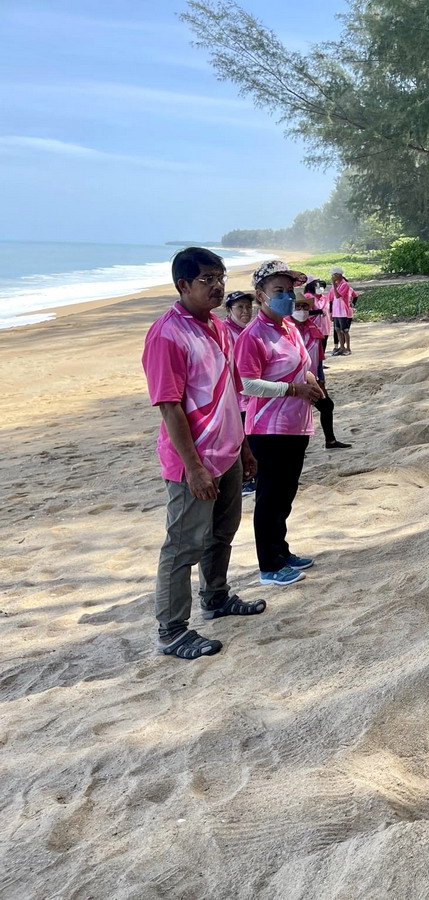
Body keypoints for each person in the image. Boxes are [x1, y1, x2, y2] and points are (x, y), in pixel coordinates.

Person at [141, 247, 263, 660]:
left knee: (221, 535)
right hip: (192, 462)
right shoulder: (167, 335)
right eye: (207, 279)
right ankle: (172, 631)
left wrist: (243, 445)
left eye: (220, 278)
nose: (217, 286)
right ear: (183, 285)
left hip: (227, 451)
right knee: (182, 547)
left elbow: (231, 391)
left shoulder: (219, 328)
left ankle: (216, 597)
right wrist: (193, 467)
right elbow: (169, 405)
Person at [235, 259, 325, 586]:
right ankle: (269, 565)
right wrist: (293, 389)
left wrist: (313, 384)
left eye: (289, 290)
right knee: (270, 495)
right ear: (260, 295)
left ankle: (282, 550)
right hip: (268, 429)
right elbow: (248, 384)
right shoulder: (253, 335)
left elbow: (303, 366)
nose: (287, 296)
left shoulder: (289, 328)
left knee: (285, 494)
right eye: (278, 291)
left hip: (296, 424)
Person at [291, 293, 352, 450]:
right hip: (292, 382)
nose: (301, 310)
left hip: (312, 379)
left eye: (304, 306)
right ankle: (296, 448)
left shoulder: (313, 329)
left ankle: (330, 441)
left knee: (326, 406)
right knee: (296, 414)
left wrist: (321, 378)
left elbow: (318, 357)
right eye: (297, 306)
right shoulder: (286, 330)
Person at [223, 290, 258, 496]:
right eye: (240, 307)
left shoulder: (248, 329)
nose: (245, 311)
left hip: (251, 393)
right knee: (243, 438)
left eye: (248, 307)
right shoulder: (226, 331)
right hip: (237, 396)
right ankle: (247, 480)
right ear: (229, 310)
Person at [328, 267, 358, 355]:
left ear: (339, 275)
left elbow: (338, 296)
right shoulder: (337, 285)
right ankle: (341, 347)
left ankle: (348, 348)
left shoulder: (345, 285)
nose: (333, 277)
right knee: (337, 329)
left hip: (342, 311)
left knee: (345, 330)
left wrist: (333, 284)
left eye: (334, 275)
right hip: (336, 311)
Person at [303, 277, 331, 357]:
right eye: (318, 286)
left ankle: (321, 362)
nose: (320, 288)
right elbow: (305, 311)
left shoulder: (324, 298)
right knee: (314, 345)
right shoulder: (308, 296)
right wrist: (319, 311)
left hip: (325, 325)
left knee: (323, 343)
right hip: (313, 326)